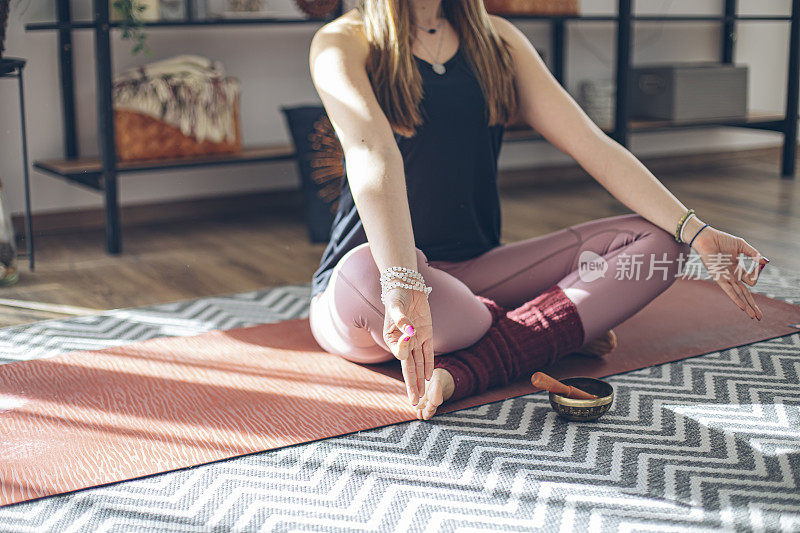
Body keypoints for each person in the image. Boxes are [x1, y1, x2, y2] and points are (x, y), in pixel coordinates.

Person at [306, 0, 768, 421]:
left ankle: (474, 362)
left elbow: (590, 143)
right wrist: (403, 285)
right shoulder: (342, 41)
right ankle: (547, 328)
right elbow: (374, 156)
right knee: (372, 271)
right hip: (372, 287)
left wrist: (695, 229)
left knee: (661, 246)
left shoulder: (497, 39)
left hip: (474, 275)